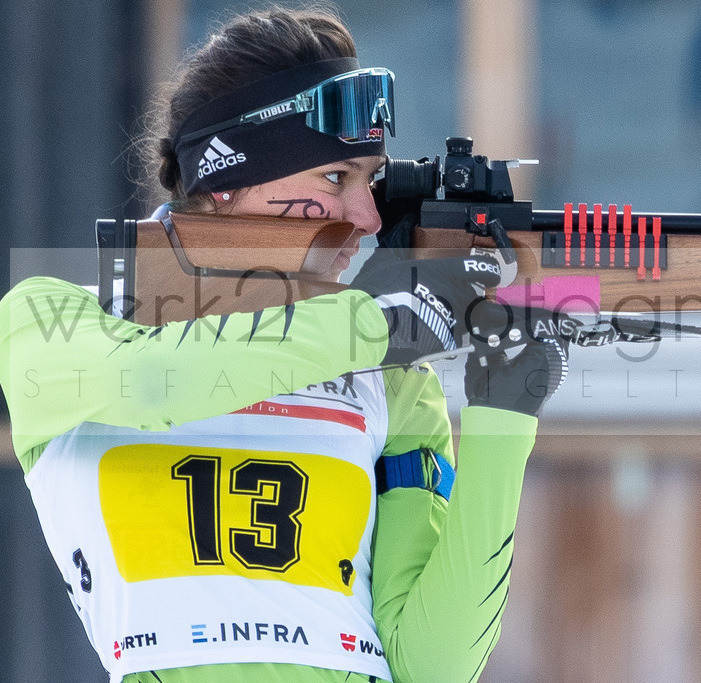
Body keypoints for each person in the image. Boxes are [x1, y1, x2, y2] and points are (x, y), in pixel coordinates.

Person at [0, 7, 566, 682]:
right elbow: (152, 382)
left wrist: (505, 414)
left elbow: (432, 664)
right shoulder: (51, 320)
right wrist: (376, 323)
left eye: (372, 181)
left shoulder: (387, 377)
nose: (368, 216)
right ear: (229, 177)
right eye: (336, 179)